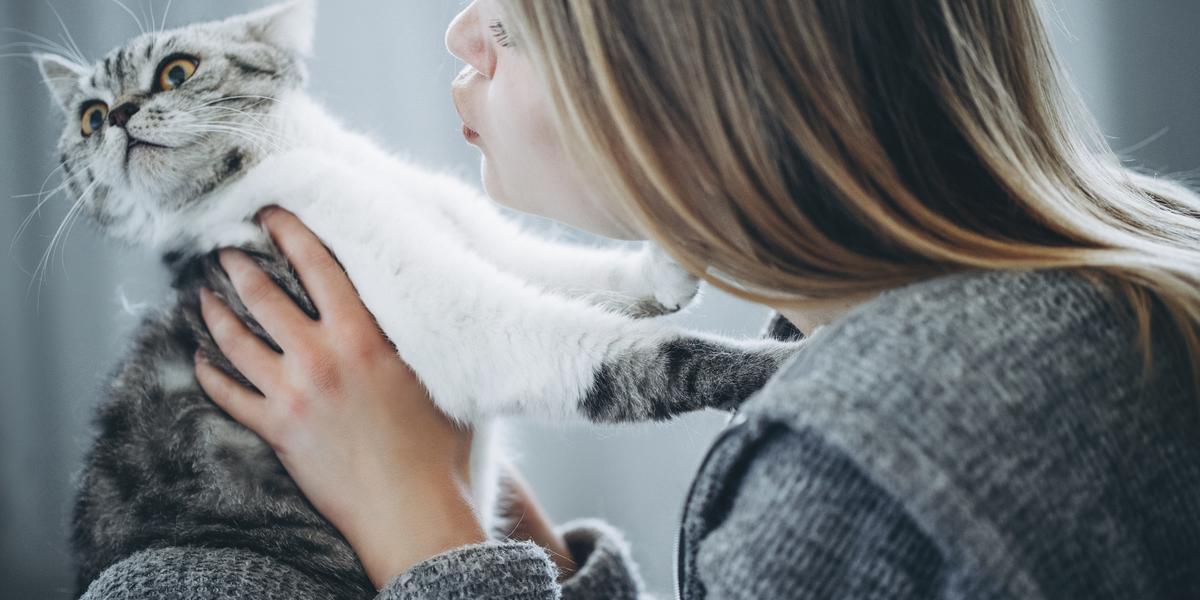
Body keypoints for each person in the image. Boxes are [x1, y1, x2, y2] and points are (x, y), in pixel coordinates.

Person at [92, 0, 1200, 598]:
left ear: (702, 69)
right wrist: (529, 548)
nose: (459, 31)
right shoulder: (1133, 280)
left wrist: (423, 533)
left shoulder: (856, 474)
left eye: (519, 17)